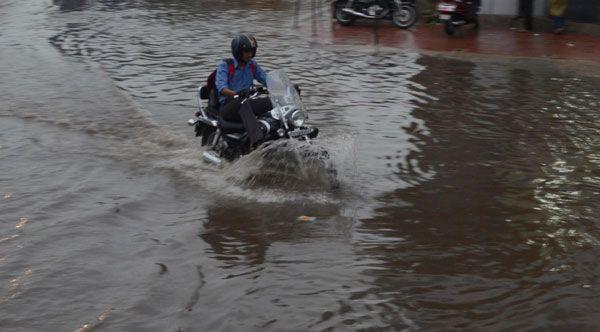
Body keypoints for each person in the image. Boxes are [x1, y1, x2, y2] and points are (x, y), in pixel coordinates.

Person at [216, 34, 270, 146]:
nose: (249, 54)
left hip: (247, 102)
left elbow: (267, 79)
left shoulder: (252, 65)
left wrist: (287, 88)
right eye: (246, 51)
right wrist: (236, 94)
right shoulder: (225, 65)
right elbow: (222, 88)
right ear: (238, 51)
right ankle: (257, 141)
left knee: (271, 102)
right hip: (228, 106)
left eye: (252, 51)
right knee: (243, 102)